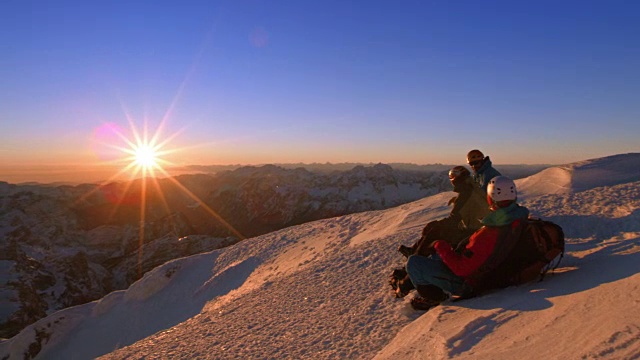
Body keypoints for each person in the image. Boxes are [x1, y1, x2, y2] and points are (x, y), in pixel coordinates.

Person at [395, 176, 530, 310]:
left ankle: (435, 298)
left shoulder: (491, 231)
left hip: (470, 282)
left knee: (414, 263)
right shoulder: (517, 218)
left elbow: (461, 269)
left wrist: (440, 246)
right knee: (436, 256)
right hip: (489, 271)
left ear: (490, 199)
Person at [397, 165, 490, 258]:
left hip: (471, 232)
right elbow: (469, 207)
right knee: (435, 227)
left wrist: (436, 224)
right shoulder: (473, 187)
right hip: (480, 228)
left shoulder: (465, 193)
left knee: (435, 230)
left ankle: (417, 257)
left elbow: (453, 220)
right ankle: (414, 250)